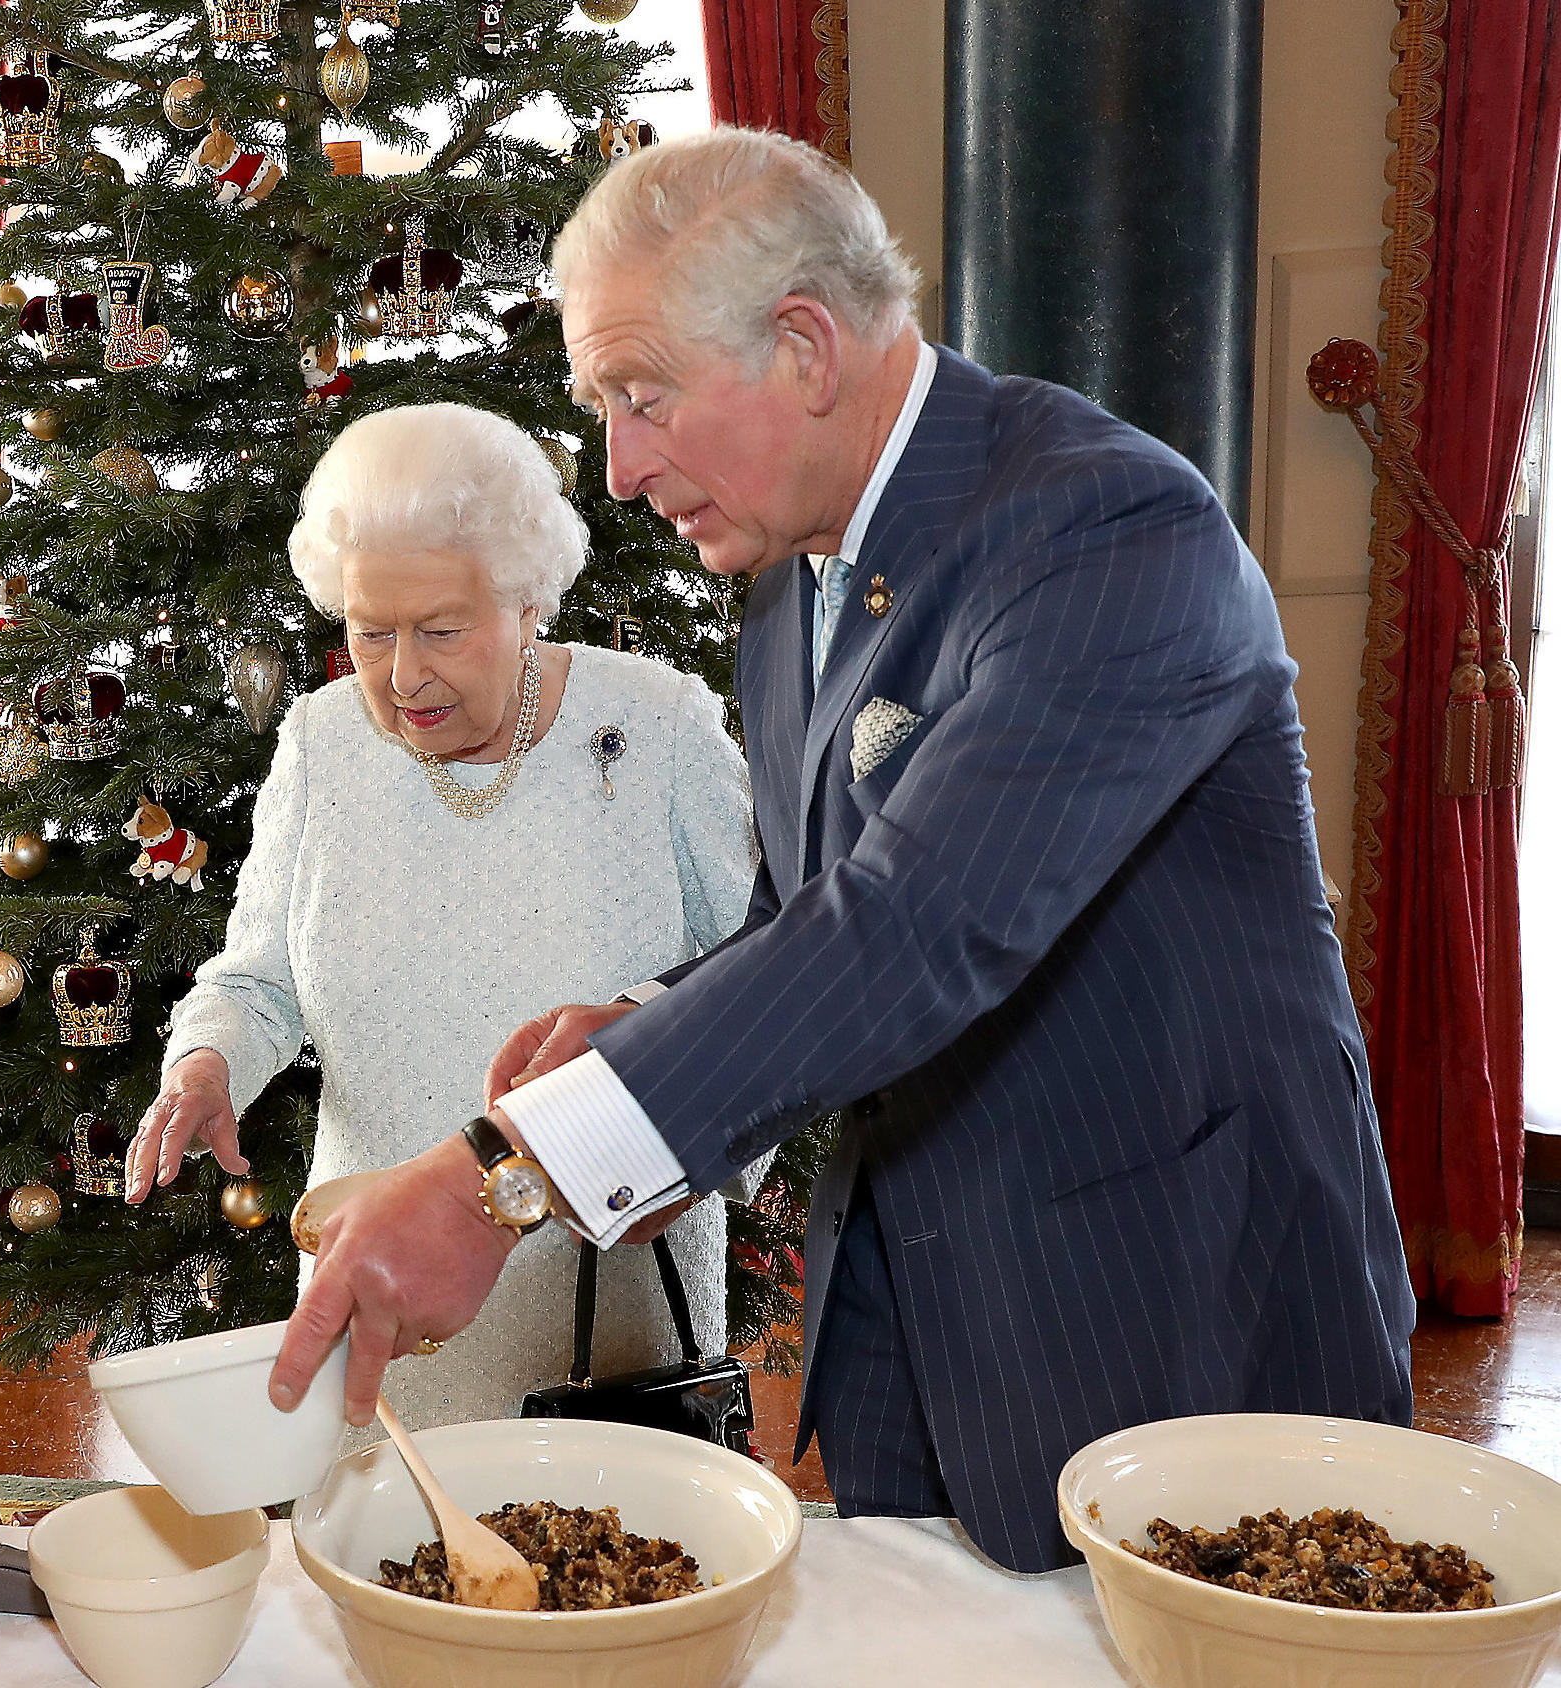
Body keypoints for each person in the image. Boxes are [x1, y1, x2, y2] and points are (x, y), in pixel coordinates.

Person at [268, 127, 1414, 1573]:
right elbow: (807, 917)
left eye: (641, 398)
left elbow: (914, 927)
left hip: (1170, 1309)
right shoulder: (793, 574)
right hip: (923, 1329)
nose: (617, 470)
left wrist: (508, 1175)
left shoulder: (1107, 531)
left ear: (805, 348)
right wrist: (655, 1021)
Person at [124, 404, 758, 1433]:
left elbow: (764, 981)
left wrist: (701, 1157)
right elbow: (257, 978)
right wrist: (207, 1062)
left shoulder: (658, 726)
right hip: (377, 1291)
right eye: (371, 631)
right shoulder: (324, 744)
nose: (404, 673)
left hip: (606, 1306)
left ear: (527, 600)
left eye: (443, 630)